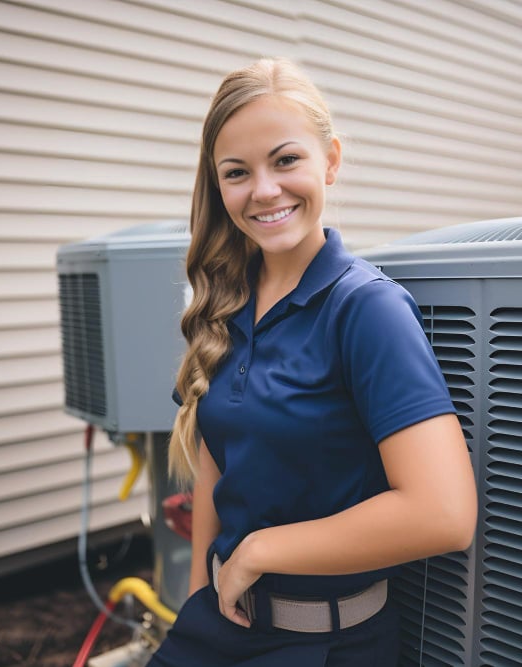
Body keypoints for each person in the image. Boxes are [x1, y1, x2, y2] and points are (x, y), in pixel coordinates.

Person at [147, 58, 477, 667]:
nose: (264, 190)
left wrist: (260, 551)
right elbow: (216, 460)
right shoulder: (225, 300)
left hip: (324, 644)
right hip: (217, 630)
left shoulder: (366, 308)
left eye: (286, 160)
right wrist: (199, 589)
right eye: (237, 172)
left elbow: (444, 512)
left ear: (331, 159)